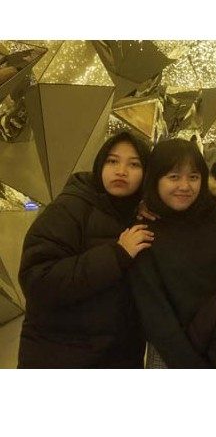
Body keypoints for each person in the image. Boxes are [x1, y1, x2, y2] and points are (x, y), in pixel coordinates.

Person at [18, 131, 152, 368]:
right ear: (100, 165)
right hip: (59, 355)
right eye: (112, 161)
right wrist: (116, 255)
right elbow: (37, 281)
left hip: (119, 356)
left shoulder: (141, 215)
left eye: (134, 164)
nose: (121, 171)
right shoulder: (70, 208)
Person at [128, 139, 216, 368]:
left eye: (193, 177)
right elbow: (154, 312)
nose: (185, 186)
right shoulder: (143, 232)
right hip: (171, 354)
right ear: (155, 179)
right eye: (174, 177)